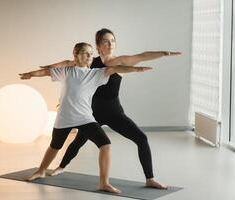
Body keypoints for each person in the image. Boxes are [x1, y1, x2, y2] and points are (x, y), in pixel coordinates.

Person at [42, 29, 181, 189]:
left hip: (114, 113)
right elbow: (67, 65)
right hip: (91, 113)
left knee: (141, 139)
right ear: (98, 45)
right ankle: (60, 167)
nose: (110, 44)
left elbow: (143, 56)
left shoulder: (121, 61)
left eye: (113, 41)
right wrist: (48, 68)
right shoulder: (89, 61)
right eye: (106, 41)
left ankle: (150, 179)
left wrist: (164, 53)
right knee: (78, 142)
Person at [19, 42, 152, 194]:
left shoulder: (95, 74)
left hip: (85, 118)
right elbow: (46, 72)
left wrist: (135, 69)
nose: (89, 56)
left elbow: (115, 68)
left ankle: (104, 183)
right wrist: (30, 74)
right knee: (55, 146)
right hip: (64, 118)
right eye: (84, 53)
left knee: (105, 145)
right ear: (75, 55)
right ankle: (41, 171)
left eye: (90, 53)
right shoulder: (66, 71)